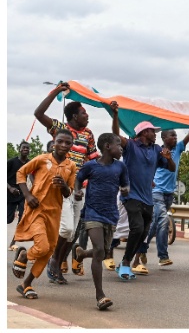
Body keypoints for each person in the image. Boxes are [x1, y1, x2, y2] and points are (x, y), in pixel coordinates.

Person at [34, 82, 99, 283]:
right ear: (73, 117)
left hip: (81, 189)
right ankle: (54, 260)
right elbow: (38, 113)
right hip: (60, 186)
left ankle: (57, 265)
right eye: (83, 113)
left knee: (72, 234)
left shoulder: (88, 134)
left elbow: (93, 160)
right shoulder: (61, 130)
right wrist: (56, 92)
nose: (87, 116)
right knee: (67, 229)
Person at [110, 101, 175, 280]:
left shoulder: (156, 149)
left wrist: (168, 158)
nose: (155, 134)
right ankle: (124, 263)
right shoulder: (130, 146)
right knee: (137, 228)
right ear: (144, 133)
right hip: (130, 195)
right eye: (152, 131)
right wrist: (115, 114)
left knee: (144, 233)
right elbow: (116, 135)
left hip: (148, 198)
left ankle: (127, 261)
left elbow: (171, 168)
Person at [12, 129, 76, 299]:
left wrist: (63, 185)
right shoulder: (42, 159)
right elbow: (21, 173)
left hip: (55, 213)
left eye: (67, 143)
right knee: (42, 247)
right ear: (54, 141)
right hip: (37, 209)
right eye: (60, 141)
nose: (63, 145)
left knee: (49, 251)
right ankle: (25, 255)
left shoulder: (71, 166)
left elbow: (68, 193)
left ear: (71, 145)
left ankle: (26, 284)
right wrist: (27, 195)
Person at [72, 133, 129, 310]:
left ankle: (81, 254)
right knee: (98, 250)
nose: (121, 148)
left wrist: (126, 190)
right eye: (118, 145)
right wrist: (77, 190)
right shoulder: (91, 166)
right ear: (106, 147)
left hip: (111, 215)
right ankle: (100, 295)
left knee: (102, 253)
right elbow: (78, 179)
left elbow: (125, 184)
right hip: (92, 213)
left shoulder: (120, 167)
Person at [135, 128, 189, 268]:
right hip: (156, 191)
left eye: (176, 136)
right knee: (163, 220)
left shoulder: (179, 148)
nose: (175, 138)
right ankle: (163, 256)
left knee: (155, 224)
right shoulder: (157, 151)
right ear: (164, 138)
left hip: (169, 193)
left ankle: (142, 248)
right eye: (172, 136)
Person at [8, 141, 31, 250]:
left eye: (27, 148)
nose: (26, 149)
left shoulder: (30, 163)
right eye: (24, 148)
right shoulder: (11, 162)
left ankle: (13, 242)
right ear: (20, 149)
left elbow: (32, 177)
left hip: (22, 194)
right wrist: (10, 188)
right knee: (8, 219)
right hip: (9, 194)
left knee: (22, 218)